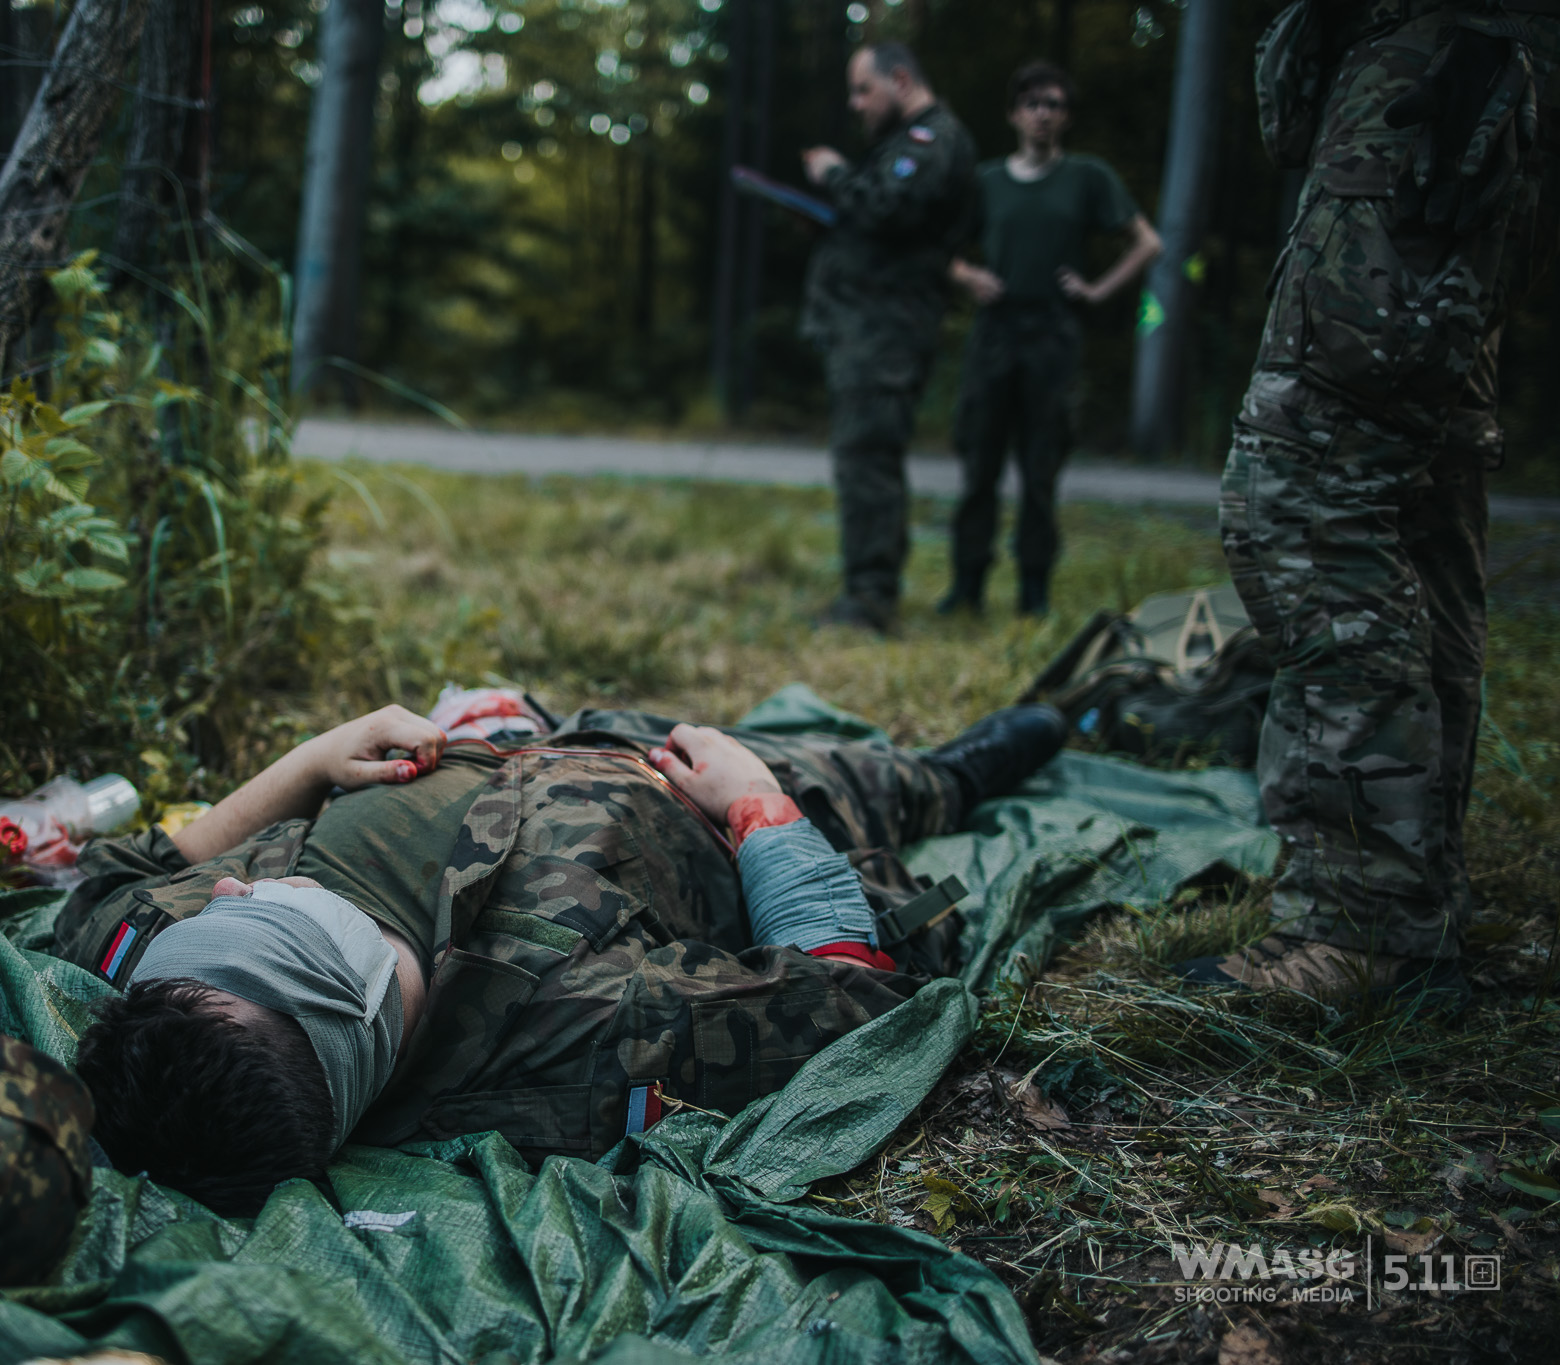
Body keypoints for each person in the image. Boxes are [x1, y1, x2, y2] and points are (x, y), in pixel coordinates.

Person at [61, 694, 1069, 1212]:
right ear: (346, 994)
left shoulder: (153, 953)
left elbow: (115, 875)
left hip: (533, 735)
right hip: (699, 795)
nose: (225, 888)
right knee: (902, 779)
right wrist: (761, 807)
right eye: (256, 920)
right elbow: (855, 1002)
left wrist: (319, 755)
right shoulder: (590, 1026)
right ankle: (957, 770)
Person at [1178, 3, 1557, 1004]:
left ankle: (1363, 924)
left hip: (1435, 72)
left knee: (1306, 489)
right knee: (1416, 499)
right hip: (1465, 78)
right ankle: (1413, 898)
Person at [943, 62, 1161, 617]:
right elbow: (941, 249)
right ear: (1014, 113)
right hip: (995, 332)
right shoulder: (987, 181)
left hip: (1052, 335)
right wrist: (969, 277)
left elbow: (1147, 243)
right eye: (1033, 103)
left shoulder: (1086, 177)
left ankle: (1033, 591)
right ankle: (967, 585)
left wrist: (1096, 290)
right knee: (979, 465)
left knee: (1041, 469)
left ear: (1066, 117)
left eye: (1055, 104)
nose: (1043, 114)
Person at [799, 42, 978, 634]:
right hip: (870, 329)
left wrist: (834, 173)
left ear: (900, 80)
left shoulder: (931, 140)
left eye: (864, 89)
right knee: (862, 456)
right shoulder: (909, 142)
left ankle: (870, 601)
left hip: (887, 333)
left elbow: (886, 209)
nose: (856, 104)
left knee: (869, 458)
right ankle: (867, 590)